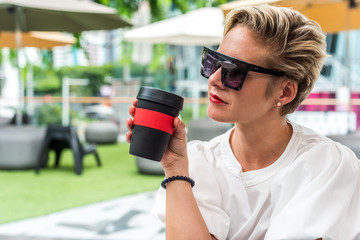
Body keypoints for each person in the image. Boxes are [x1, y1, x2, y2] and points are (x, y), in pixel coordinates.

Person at [126, 5, 360, 240]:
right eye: (213, 62)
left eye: (233, 70)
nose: (215, 79)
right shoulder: (198, 162)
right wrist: (174, 166)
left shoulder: (326, 164)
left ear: (284, 92)